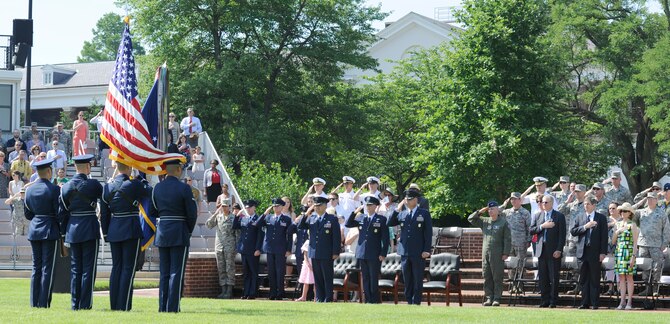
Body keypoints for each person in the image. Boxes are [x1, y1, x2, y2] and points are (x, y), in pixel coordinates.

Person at [100, 161, 153, 311]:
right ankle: (124, 305)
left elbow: (104, 215)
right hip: (130, 229)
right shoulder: (135, 184)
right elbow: (150, 191)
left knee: (116, 267)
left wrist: (106, 233)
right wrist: (140, 178)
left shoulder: (107, 187)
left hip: (114, 230)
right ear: (129, 168)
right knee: (128, 268)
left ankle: (114, 305)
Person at [151, 159, 197, 313]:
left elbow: (153, 210)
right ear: (178, 169)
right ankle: (173, 307)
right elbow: (192, 214)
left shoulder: (157, 188)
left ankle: (162, 307)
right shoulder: (184, 188)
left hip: (163, 232)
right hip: (179, 231)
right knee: (176, 272)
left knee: (164, 273)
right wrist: (188, 231)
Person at [59, 154, 103, 310]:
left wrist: (64, 234)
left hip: (73, 230)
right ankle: (85, 304)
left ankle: (74, 304)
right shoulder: (94, 184)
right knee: (88, 269)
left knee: (75, 269)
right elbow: (104, 201)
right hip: (90, 228)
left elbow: (62, 213)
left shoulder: (66, 187)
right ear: (88, 167)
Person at [24, 157, 61, 308]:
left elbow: (28, 215)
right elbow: (58, 212)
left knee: (36, 268)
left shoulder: (29, 189)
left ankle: (34, 302)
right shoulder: (54, 189)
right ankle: (44, 302)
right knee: (47, 268)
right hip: (49, 230)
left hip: (34, 230)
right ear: (48, 171)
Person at [387, 190, 432, 305]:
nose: (407, 201)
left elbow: (428, 233)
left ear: (416, 200)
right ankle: (409, 301)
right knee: (407, 279)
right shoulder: (402, 213)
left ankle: (416, 302)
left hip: (418, 252)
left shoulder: (424, 213)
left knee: (417, 279)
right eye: (406, 199)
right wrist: (397, 209)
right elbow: (389, 222)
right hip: (404, 251)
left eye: (410, 199)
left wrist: (426, 250)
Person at [345, 196, 390, 304]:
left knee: (373, 277)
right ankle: (367, 299)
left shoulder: (381, 219)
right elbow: (348, 224)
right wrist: (354, 212)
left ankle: (374, 299)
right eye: (367, 205)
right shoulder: (361, 218)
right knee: (365, 277)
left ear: (375, 206)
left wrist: (383, 253)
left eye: (370, 205)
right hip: (362, 252)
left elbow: (385, 238)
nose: (368, 207)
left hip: (374, 253)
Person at [298, 196, 341, 302]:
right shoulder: (311, 218)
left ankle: (328, 297)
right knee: (317, 277)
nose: (316, 208)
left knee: (327, 276)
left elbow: (336, 237)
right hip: (314, 252)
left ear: (325, 206)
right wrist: (306, 213)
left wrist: (336, 251)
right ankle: (319, 297)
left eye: (319, 205)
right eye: (315, 206)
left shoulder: (332, 219)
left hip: (327, 252)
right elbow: (300, 226)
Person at [469, 201, 511, 306]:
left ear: (498, 210)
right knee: (487, 276)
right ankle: (489, 298)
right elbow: (471, 219)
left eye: (492, 209)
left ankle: (497, 298)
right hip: (486, 253)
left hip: (497, 253)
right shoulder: (485, 221)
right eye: (489, 209)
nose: (490, 211)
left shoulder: (503, 222)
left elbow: (507, 239)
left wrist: (506, 253)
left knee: (497, 276)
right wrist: (480, 211)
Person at [570, 195, 608, 309]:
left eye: (588, 204)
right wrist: (585, 227)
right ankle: (584, 302)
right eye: (585, 204)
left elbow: (604, 237)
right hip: (582, 252)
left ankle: (595, 302)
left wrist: (603, 252)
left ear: (594, 205)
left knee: (595, 278)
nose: (586, 206)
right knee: (583, 278)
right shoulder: (580, 217)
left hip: (595, 252)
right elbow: (573, 231)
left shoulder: (601, 218)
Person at [529, 194, 566, 308]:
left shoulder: (559, 216)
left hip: (554, 251)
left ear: (551, 203)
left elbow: (562, 235)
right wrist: (543, 226)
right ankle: (544, 300)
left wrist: (559, 249)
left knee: (554, 277)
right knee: (543, 277)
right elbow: (531, 230)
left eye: (546, 202)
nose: (543, 204)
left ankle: (553, 301)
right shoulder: (537, 216)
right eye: (542, 202)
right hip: (541, 250)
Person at [633, 192, 670, 296]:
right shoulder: (640, 212)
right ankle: (647, 288)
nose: (650, 200)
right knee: (645, 267)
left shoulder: (661, 213)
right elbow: (629, 212)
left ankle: (655, 289)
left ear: (656, 200)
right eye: (648, 198)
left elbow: (666, 230)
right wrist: (641, 201)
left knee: (657, 267)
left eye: (652, 198)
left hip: (656, 245)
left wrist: (664, 243)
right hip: (643, 244)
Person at [258, 198, 293, 300]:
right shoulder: (268, 218)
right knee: (271, 272)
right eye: (274, 206)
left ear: (282, 207)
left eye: (277, 206)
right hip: (269, 248)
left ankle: (280, 293)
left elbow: (289, 235)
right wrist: (265, 213)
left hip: (281, 248)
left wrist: (288, 249)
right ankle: (272, 293)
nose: (275, 208)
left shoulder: (286, 219)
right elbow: (257, 224)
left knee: (280, 271)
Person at [206, 198, 238, 299]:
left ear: (229, 207)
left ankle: (229, 290)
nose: (224, 208)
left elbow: (238, 234)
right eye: (222, 206)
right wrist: (215, 213)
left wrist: (237, 247)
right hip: (219, 246)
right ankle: (223, 290)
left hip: (230, 246)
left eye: (226, 206)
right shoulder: (218, 217)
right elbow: (208, 225)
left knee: (230, 268)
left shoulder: (234, 218)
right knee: (221, 268)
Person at [233, 199, 265, 299]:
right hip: (244, 249)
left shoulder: (258, 219)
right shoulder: (244, 218)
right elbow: (235, 227)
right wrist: (237, 216)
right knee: (246, 272)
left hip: (253, 250)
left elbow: (260, 235)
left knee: (253, 272)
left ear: (254, 208)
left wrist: (258, 249)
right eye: (247, 208)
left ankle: (252, 292)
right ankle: (246, 292)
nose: (248, 209)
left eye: (250, 208)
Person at [500, 192, 531, 294]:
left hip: (521, 243)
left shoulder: (525, 213)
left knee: (520, 265)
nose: (513, 201)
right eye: (511, 199)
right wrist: (503, 205)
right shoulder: (507, 212)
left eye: (515, 199)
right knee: (510, 265)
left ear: (520, 200)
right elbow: (497, 212)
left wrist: (528, 241)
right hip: (509, 244)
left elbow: (529, 228)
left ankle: (520, 286)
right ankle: (512, 286)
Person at [613, 202, 639, 310]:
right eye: (621, 211)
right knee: (621, 277)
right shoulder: (617, 224)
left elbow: (635, 242)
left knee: (629, 277)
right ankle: (622, 301)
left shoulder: (632, 225)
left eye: (625, 211)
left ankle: (629, 302)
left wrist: (633, 256)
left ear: (630, 213)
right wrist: (618, 231)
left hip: (628, 253)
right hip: (619, 252)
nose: (623, 213)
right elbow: (613, 241)